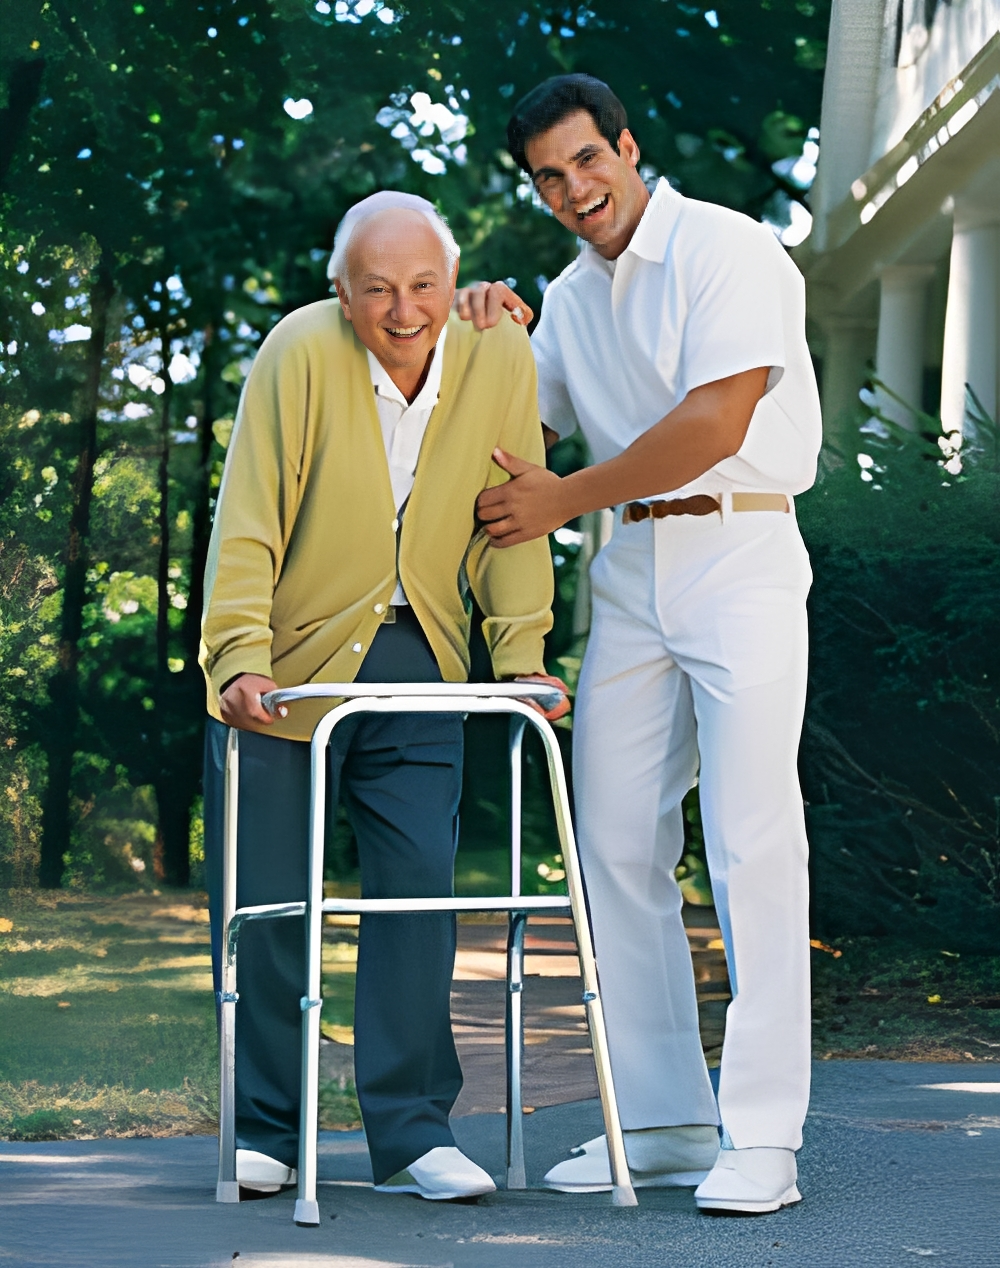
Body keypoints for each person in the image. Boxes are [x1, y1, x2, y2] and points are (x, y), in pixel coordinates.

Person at [458, 75, 821, 1214]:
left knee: (750, 838)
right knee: (611, 836)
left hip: (742, 555)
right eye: (547, 179)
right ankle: (662, 1120)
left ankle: (762, 1135)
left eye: (586, 162)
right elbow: (528, 428)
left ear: (626, 145)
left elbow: (717, 421)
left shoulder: (730, 248)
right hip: (627, 574)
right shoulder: (568, 297)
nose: (574, 191)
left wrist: (564, 499)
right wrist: (483, 330)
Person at [200, 191, 566, 1202]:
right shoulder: (298, 350)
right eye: (378, 290)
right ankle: (267, 1125)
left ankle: (411, 1132)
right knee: (267, 902)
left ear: (453, 284)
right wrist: (237, 652)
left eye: (423, 286)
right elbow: (250, 509)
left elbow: (512, 511)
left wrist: (520, 653)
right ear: (341, 291)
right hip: (287, 660)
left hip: (425, 657)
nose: (404, 310)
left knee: (419, 895)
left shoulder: (496, 352)